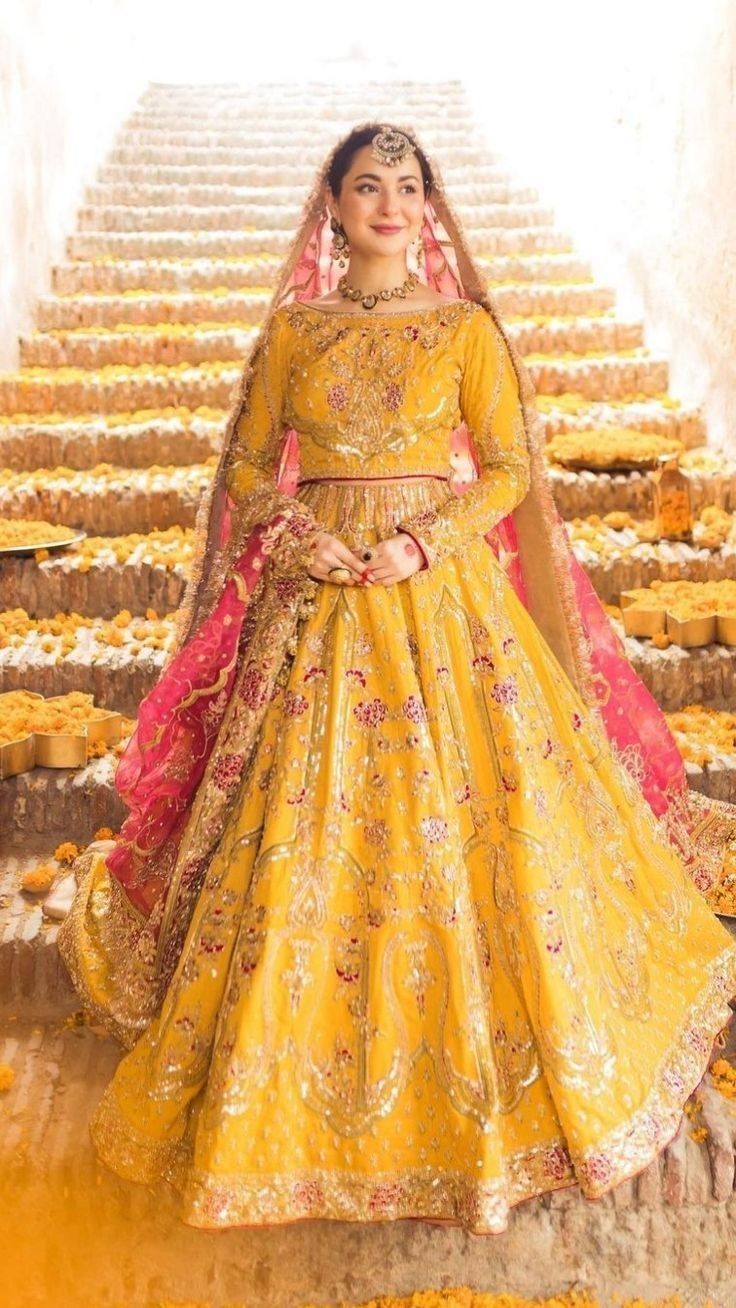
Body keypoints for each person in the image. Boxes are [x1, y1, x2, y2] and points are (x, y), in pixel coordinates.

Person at [57, 121, 736, 1235]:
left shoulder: (464, 330)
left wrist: (425, 540)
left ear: (428, 208)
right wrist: (292, 529)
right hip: (315, 602)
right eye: (365, 185)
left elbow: (511, 465)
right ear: (331, 205)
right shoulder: (294, 331)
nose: (387, 201)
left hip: (434, 595)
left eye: (405, 186)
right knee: (291, 832)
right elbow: (242, 462)